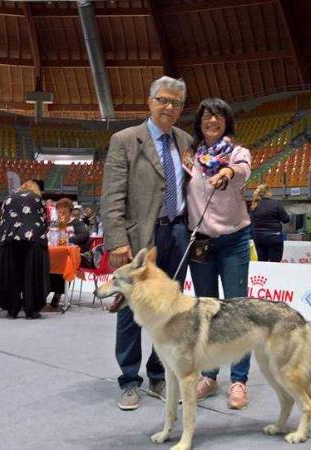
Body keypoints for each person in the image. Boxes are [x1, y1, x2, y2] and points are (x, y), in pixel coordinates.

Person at [100, 76, 193, 411]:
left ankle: (157, 373)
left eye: (176, 103)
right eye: (163, 100)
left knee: (169, 310)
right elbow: (112, 196)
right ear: (150, 101)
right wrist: (117, 242)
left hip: (178, 234)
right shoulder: (125, 140)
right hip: (139, 239)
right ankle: (128, 379)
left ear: (182, 108)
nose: (169, 107)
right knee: (129, 310)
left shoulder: (185, 141)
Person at [185, 98, 253, 410]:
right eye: (207, 117)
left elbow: (242, 169)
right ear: (199, 122)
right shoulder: (191, 157)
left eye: (218, 116)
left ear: (227, 121)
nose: (212, 121)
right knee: (207, 312)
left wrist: (226, 171)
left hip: (233, 239)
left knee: (237, 311)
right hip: (200, 240)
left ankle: (239, 380)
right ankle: (209, 376)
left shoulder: (238, 153)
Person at [0, 179, 50, 320]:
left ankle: (12, 309)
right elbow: (44, 221)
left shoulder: (8, 199)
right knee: (31, 274)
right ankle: (31, 310)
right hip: (32, 238)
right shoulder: (37, 198)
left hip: (8, 239)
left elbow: (1, 222)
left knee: (11, 273)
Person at [46, 198, 90, 310]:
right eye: (59, 211)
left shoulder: (76, 222)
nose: (61, 214)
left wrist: (69, 240)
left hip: (72, 255)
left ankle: (58, 293)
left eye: (64, 212)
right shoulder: (55, 223)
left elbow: (84, 235)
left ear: (70, 212)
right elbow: (48, 236)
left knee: (65, 262)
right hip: (55, 253)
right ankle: (43, 292)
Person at [249, 183, 289, 262]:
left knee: (262, 263)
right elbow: (286, 219)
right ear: (268, 192)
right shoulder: (276, 204)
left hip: (258, 237)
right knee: (275, 263)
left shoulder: (254, 205)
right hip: (274, 237)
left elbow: (252, 222)